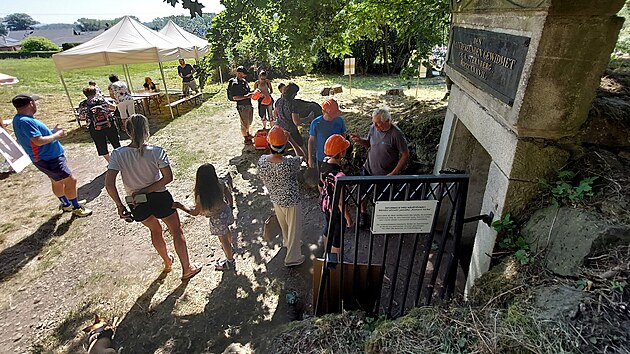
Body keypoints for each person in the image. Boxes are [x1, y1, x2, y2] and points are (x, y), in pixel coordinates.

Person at [105, 114, 202, 281]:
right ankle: (187, 268)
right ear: (146, 130)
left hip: (136, 202)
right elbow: (167, 177)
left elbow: (109, 184)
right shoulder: (156, 151)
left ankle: (167, 262)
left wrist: (120, 206)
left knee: (155, 230)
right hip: (160, 197)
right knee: (176, 231)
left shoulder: (117, 154)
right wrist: (147, 190)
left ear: (128, 132)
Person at [11, 94, 92, 217]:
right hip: (49, 158)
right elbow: (38, 141)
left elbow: (35, 137)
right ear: (31, 103)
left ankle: (66, 204)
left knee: (56, 181)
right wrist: (57, 135)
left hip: (46, 157)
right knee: (70, 181)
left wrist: (52, 132)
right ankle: (76, 207)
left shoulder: (20, 119)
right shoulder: (25, 121)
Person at [349, 107, 409, 228]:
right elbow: (369, 144)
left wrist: (394, 173)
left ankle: (382, 221)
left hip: (385, 174)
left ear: (388, 121)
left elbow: (405, 154)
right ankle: (363, 214)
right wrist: (360, 141)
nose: (375, 126)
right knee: (363, 194)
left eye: (378, 123)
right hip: (368, 169)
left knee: (383, 199)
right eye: (374, 122)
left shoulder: (396, 134)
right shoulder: (372, 128)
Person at [256, 126, 305, 267]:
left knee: (285, 226)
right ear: (284, 146)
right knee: (294, 228)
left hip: (276, 199)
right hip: (291, 200)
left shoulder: (262, 161)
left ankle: (287, 242)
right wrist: (292, 141)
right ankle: (293, 258)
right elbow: (301, 155)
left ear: (269, 144)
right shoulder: (289, 163)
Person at [173, 164, 236, 271]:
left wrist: (180, 206)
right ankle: (230, 247)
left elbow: (194, 212)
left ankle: (230, 261)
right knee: (227, 231)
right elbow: (229, 195)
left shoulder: (201, 196)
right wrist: (230, 206)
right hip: (225, 211)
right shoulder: (220, 184)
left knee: (223, 240)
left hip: (216, 219)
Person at [319, 134, 353, 256]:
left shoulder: (324, 163)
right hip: (336, 211)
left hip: (326, 205)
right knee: (337, 236)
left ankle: (326, 252)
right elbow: (340, 202)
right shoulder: (340, 176)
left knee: (328, 226)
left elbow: (320, 184)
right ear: (341, 152)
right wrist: (348, 218)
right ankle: (334, 262)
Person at [77, 86, 121, 162]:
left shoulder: (83, 104)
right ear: (95, 92)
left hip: (94, 127)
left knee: (100, 144)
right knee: (115, 141)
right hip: (109, 123)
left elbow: (81, 117)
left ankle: (110, 162)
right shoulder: (102, 100)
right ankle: (121, 159)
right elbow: (113, 108)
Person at [308, 98, 347, 169]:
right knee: (322, 177)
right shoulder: (316, 123)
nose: (332, 117)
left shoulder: (339, 120)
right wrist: (310, 158)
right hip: (321, 157)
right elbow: (311, 141)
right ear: (323, 112)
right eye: (330, 115)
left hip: (336, 158)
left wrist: (343, 150)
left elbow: (343, 135)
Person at [275, 82, 306, 156]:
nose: (296, 94)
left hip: (280, 128)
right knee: (301, 147)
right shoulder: (293, 104)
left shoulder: (278, 101)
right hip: (291, 130)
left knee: (281, 148)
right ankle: (307, 160)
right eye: (296, 93)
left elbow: (275, 114)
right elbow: (297, 122)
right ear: (292, 94)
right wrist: (307, 119)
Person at [227, 66, 254, 144]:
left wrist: (253, 92)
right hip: (242, 106)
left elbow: (248, 91)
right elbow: (235, 97)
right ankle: (246, 138)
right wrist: (246, 97)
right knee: (244, 123)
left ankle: (248, 134)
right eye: (243, 74)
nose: (245, 75)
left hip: (248, 104)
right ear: (239, 73)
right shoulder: (235, 84)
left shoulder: (244, 81)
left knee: (249, 121)